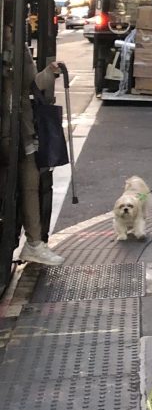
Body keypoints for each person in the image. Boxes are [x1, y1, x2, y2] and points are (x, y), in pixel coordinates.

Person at [17, 46, 65, 267]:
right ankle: (34, 243)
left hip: (21, 132)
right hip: (18, 132)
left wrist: (48, 73)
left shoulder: (19, 48)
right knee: (31, 184)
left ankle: (34, 242)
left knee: (32, 183)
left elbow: (31, 86)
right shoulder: (15, 47)